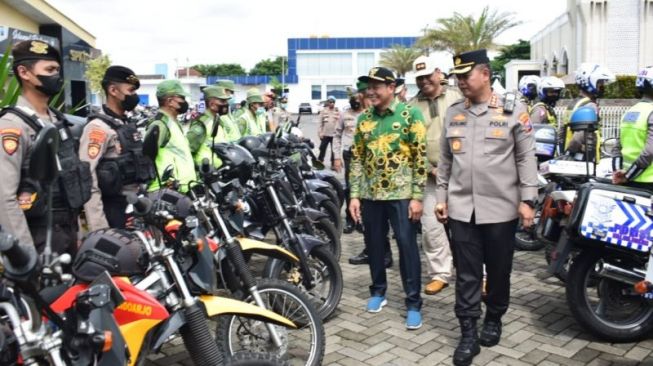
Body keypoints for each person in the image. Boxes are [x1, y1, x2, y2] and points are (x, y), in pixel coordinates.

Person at [435, 49, 538, 366]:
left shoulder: (513, 110)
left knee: (499, 271)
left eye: (465, 76)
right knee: (466, 275)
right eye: (457, 77)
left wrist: (528, 200)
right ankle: (468, 333)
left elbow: (525, 157)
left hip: (501, 209)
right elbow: (445, 161)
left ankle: (494, 317)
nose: (461, 82)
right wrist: (441, 198)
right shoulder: (454, 113)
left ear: (484, 73)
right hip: (462, 209)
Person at [349, 66, 427, 330]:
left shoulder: (410, 114)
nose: (371, 91)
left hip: (401, 195)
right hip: (371, 195)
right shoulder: (364, 119)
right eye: (368, 86)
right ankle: (378, 291)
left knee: (407, 248)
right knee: (374, 246)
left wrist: (417, 197)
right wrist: (354, 195)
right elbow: (357, 158)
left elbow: (420, 157)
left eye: (376, 86)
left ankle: (414, 303)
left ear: (391, 87)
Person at [0, 40, 91, 255]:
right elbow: (4, 197)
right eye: (49, 70)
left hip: (67, 232)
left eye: (58, 70)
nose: (57, 76)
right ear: (24, 72)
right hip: (37, 238)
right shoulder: (13, 126)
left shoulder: (59, 121)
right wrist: (24, 255)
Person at [408, 55, 462, 296]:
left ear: (439, 73)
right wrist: (431, 169)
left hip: (462, 174)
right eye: (419, 78)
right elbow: (408, 146)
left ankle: (480, 274)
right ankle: (440, 274)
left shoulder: (458, 96)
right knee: (431, 228)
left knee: (468, 226)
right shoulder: (410, 106)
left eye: (428, 76)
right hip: (429, 176)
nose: (424, 81)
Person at [80, 66, 155, 231]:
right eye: (131, 90)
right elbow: (87, 179)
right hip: (113, 212)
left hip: (135, 207)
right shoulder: (98, 128)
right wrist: (99, 227)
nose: (134, 96)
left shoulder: (126, 124)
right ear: (113, 90)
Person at [344, 80, 393, 267]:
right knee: (369, 221)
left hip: (377, 179)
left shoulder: (375, 116)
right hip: (364, 177)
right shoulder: (364, 117)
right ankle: (373, 250)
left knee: (378, 221)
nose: (361, 98)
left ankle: (383, 254)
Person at [145, 80, 196, 193]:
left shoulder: (173, 122)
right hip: (165, 192)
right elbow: (146, 158)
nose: (184, 102)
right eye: (182, 98)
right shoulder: (160, 125)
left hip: (181, 190)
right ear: (170, 101)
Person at [560, 63, 615, 160]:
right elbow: (578, 137)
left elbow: (562, 131)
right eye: (600, 83)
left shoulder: (574, 103)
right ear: (589, 82)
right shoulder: (590, 106)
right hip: (582, 160)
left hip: (569, 156)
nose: (602, 87)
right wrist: (570, 153)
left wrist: (565, 154)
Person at [612, 66, 653, 189]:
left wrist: (618, 172)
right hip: (648, 182)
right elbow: (649, 152)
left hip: (627, 180)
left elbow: (616, 148)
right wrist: (628, 175)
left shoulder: (630, 112)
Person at [187, 86, 231, 168]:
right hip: (207, 173)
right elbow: (188, 151)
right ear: (211, 104)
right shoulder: (202, 123)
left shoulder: (217, 120)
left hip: (220, 170)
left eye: (226, 101)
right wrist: (199, 168)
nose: (226, 104)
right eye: (222, 101)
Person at [317, 96, 339, 165]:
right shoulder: (323, 111)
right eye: (330, 102)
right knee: (322, 148)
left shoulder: (338, 111)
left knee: (334, 150)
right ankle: (320, 161)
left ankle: (333, 163)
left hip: (334, 134)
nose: (331, 103)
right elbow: (320, 123)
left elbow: (341, 123)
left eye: (333, 102)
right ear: (328, 102)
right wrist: (320, 133)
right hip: (325, 134)